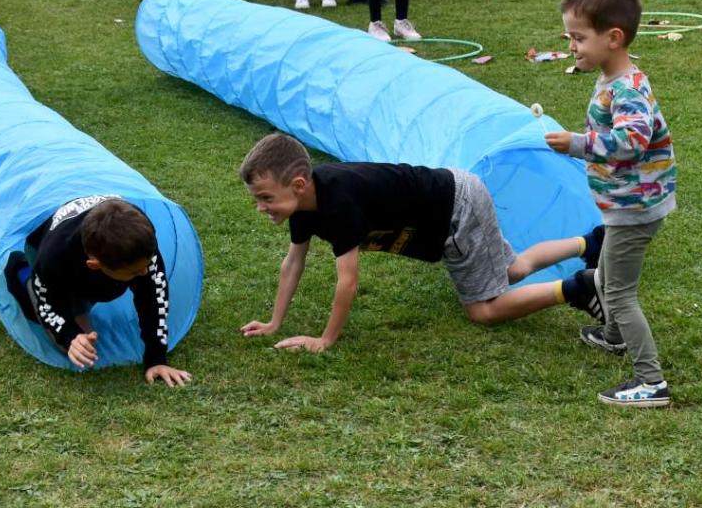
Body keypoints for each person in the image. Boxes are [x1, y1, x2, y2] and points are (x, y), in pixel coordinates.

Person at [238, 132, 608, 353]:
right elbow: (293, 263)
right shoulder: (303, 205)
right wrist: (274, 322)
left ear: (298, 184)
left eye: (266, 198)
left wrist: (325, 339)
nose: (260, 207)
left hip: (455, 212)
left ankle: (576, 288)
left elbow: (347, 282)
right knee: (512, 270)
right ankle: (589, 244)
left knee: (483, 310)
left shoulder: (337, 204)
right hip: (457, 192)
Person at [545, 0, 676, 409]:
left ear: (613, 38)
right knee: (606, 275)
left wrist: (577, 144)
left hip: (633, 207)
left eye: (578, 38)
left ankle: (651, 381)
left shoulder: (628, 90)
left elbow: (631, 142)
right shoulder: (612, 77)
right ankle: (615, 335)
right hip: (627, 201)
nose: (572, 47)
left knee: (618, 291)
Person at [3, 196, 192, 387]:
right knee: (70, 344)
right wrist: (70, 336)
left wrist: (156, 358)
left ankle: (81, 305)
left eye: (147, 263)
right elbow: (49, 305)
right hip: (44, 249)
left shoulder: (139, 239)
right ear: (95, 265)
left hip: (92, 253)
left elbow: (154, 297)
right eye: (134, 271)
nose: (145, 272)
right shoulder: (54, 258)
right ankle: (22, 270)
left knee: (136, 286)